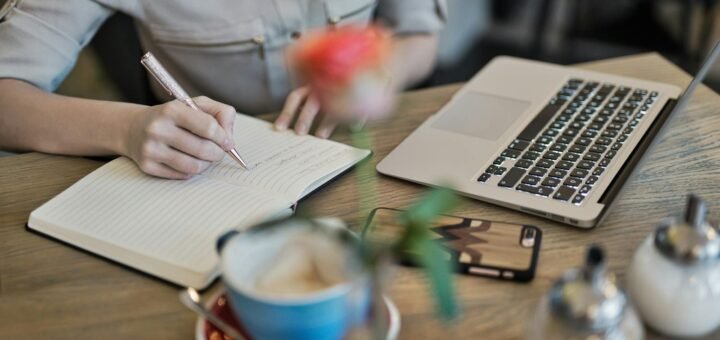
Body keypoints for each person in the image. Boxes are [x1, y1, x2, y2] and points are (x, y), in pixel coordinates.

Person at [0, 0, 446, 179]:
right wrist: (127, 127)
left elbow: (420, 36)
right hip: (204, 175)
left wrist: (380, 74)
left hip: (365, 155)